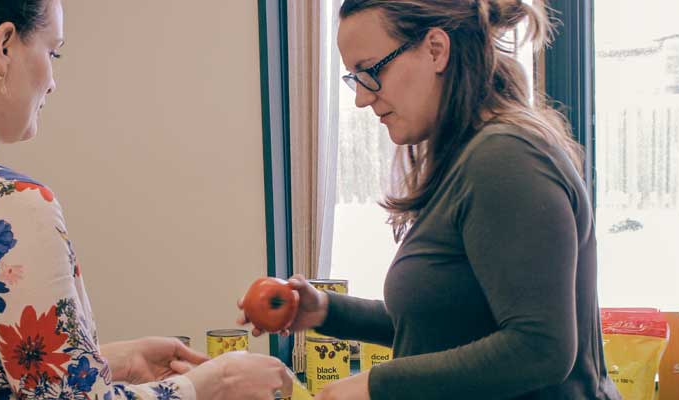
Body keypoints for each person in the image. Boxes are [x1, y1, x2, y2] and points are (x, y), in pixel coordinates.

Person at [0, 1, 289, 399]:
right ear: (3, 47)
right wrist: (216, 381)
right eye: (52, 52)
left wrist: (117, 360)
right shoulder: (8, 206)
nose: (52, 81)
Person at [240, 0, 622, 398]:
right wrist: (326, 311)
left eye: (372, 71)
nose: (362, 98)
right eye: (354, 78)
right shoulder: (471, 156)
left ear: (436, 50)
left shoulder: (505, 158)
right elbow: (447, 322)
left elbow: (540, 348)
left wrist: (376, 385)